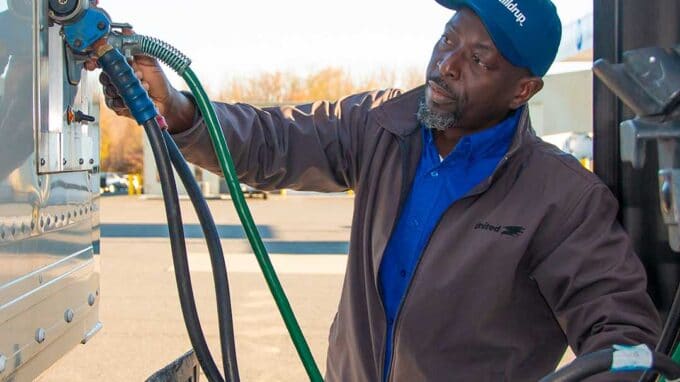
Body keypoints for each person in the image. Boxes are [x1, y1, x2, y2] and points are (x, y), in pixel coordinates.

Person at [99, 0, 661, 380]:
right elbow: (273, 141)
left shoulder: (561, 199)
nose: (445, 64)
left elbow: (622, 336)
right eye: (447, 40)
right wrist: (175, 107)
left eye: (478, 58)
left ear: (523, 90)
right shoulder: (381, 126)